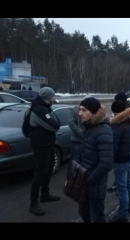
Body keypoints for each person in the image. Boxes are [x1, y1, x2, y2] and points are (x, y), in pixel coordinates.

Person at [76, 97, 114, 222]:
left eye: (84, 110)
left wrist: (89, 180)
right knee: (83, 212)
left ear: (93, 112)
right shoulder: (89, 127)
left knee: (97, 217)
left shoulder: (103, 131)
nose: (80, 113)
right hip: (84, 182)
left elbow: (107, 163)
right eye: (80, 109)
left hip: (94, 186)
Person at [29, 87, 61, 216]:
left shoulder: (46, 107)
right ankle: (33, 203)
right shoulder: (39, 109)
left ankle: (45, 194)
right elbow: (55, 125)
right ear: (48, 97)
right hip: (40, 146)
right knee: (40, 173)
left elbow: (56, 122)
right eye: (53, 96)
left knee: (47, 171)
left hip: (48, 144)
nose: (54, 98)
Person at [109, 100, 130, 222]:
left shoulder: (117, 125)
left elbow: (113, 146)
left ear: (116, 112)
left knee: (122, 188)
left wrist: (110, 160)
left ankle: (122, 215)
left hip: (121, 160)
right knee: (129, 183)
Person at [107, 92, 130, 193]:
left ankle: (123, 205)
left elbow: (116, 141)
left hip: (122, 155)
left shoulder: (123, 115)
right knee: (128, 180)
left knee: (122, 183)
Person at [68, 95, 92, 160]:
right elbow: (71, 123)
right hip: (77, 140)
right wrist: (82, 133)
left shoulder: (91, 111)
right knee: (75, 159)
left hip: (88, 140)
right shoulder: (75, 110)